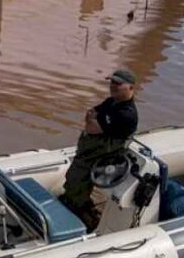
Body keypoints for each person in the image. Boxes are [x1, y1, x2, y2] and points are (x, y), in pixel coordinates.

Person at [60, 68, 139, 230]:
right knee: (74, 180)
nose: (112, 86)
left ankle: (86, 219)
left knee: (77, 180)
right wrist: (93, 121)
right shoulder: (111, 102)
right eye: (112, 82)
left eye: (118, 83)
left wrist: (93, 121)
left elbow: (91, 127)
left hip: (99, 154)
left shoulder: (126, 114)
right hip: (88, 151)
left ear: (131, 87)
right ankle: (77, 203)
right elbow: (90, 115)